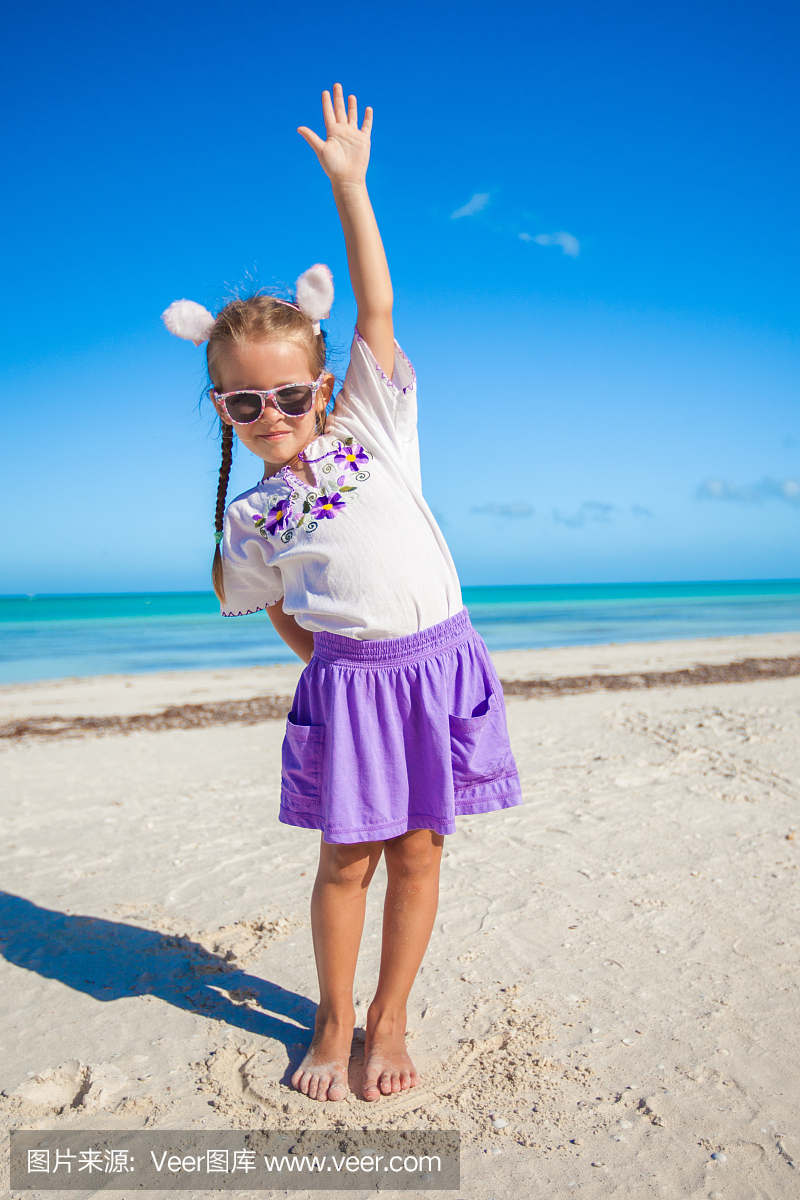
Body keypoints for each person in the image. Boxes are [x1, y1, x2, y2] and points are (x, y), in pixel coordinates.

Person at [162, 84, 521, 1103]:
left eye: (286, 393)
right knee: (345, 860)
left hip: (442, 659)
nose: (269, 412)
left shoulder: (369, 423)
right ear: (223, 407)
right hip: (352, 686)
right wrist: (325, 666)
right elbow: (266, 600)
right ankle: (330, 1016)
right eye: (243, 401)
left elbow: (375, 305)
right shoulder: (249, 515)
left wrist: (350, 189)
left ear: (322, 386)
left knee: (418, 852)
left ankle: (389, 1014)